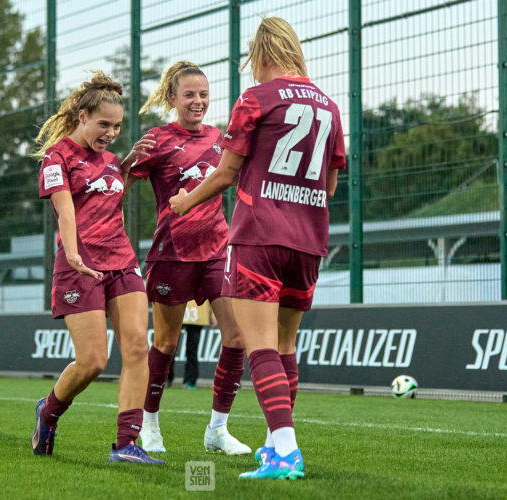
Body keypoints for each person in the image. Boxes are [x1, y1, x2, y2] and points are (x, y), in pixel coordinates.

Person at [170, 17, 346, 479]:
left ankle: (286, 452)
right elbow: (329, 184)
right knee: (286, 346)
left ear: (261, 54)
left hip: (259, 236)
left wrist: (185, 201)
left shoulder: (256, 99)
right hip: (309, 241)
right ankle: (273, 447)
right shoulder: (329, 106)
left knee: (261, 347)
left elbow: (226, 173)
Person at [30, 71, 163, 465]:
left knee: (139, 348)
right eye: (103, 124)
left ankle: (126, 444)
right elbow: (67, 210)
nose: (111, 132)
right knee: (93, 362)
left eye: (117, 126)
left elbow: (104, 195)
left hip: (122, 261)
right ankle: (48, 412)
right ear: (81, 116)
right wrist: (72, 254)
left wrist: (124, 166)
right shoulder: (58, 157)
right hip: (79, 266)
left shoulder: (108, 160)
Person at [125, 60, 250, 455]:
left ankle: (217, 429)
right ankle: (149, 425)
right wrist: (128, 160)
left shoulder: (220, 137)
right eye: (190, 95)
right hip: (171, 254)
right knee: (166, 342)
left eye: (204, 94)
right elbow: (119, 184)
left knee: (237, 336)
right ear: (173, 98)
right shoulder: (157, 139)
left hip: (217, 249)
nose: (198, 102)